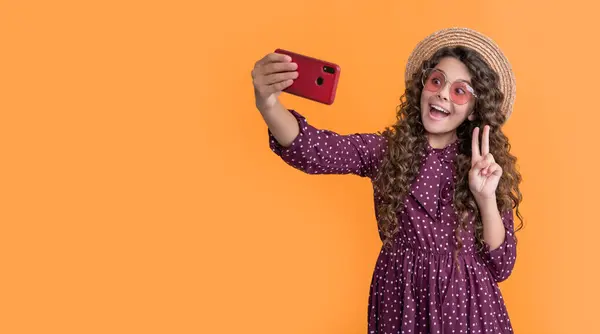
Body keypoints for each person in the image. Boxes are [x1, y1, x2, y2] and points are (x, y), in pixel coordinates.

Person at [251, 27, 523, 334]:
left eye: (460, 90)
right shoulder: (384, 152)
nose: (443, 93)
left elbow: (502, 265)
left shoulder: (484, 167)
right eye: (436, 81)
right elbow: (313, 150)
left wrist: (486, 197)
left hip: (469, 308)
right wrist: (268, 105)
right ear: (422, 88)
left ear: (474, 110)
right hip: (400, 301)